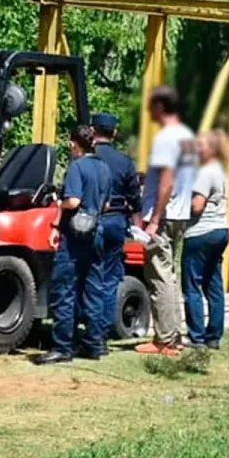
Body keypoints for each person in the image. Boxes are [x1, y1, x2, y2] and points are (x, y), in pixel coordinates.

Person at [34, 125, 112, 365]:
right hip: (97, 231)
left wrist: (60, 207)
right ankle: (94, 343)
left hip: (75, 235)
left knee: (65, 290)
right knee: (93, 289)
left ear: (73, 143)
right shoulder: (104, 168)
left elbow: (74, 200)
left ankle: (62, 347)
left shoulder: (77, 167)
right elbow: (106, 205)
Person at [135, 85, 197, 356]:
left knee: (158, 277)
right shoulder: (187, 137)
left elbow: (167, 181)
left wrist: (154, 219)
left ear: (160, 107)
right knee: (170, 276)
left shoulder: (165, 138)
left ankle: (164, 339)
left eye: (150, 106)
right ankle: (175, 335)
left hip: (163, 215)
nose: (148, 111)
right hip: (180, 214)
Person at [89, 113, 142, 350]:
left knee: (87, 277)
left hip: (89, 222)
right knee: (110, 280)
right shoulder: (124, 163)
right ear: (114, 133)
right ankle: (100, 336)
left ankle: (84, 331)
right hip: (116, 222)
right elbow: (135, 198)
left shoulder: (84, 159)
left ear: (92, 131)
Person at [182, 130, 229, 350]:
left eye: (200, 145)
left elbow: (197, 205)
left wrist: (182, 209)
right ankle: (214, 335)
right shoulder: (221, 172)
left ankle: (196, 336)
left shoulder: (204, 173)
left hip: (200, 232)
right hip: (220, 229)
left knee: (191, 285)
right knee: (214, 284)